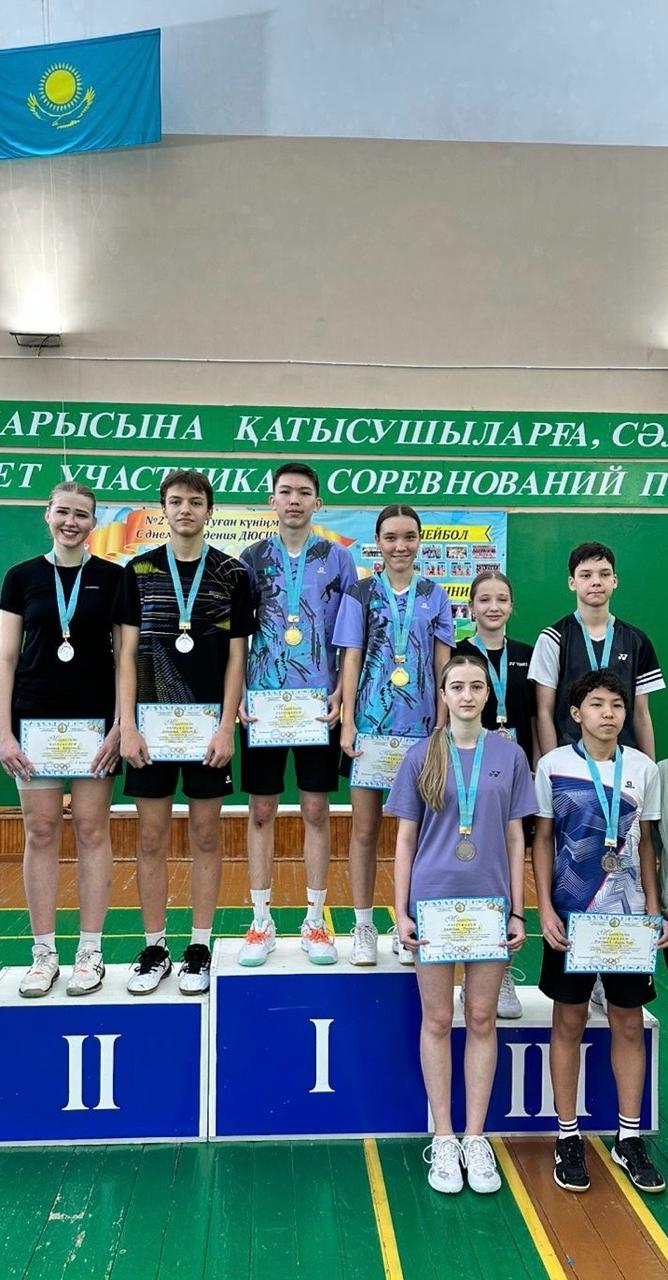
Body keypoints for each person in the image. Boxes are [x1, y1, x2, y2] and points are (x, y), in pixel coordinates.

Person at [387, 654, 535, 1195]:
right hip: (434, 906)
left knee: (480, 1019)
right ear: (443, 694)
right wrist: (400, 911)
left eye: (476, 686)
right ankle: (445, 1137)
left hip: (489, 908)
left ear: (488, 694)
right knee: (436, 1020)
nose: (467, 695)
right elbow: (405, 839)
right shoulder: (421, 754)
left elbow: (517, 838)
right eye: (457, 686)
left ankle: (476, 1137)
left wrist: (518, 909)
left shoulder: (510, 755)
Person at [117, 469, 253, 995]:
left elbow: (237, 658)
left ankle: (199, 946)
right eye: (175, 501)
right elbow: (126, 655)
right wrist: (128, 726)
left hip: (207, 733)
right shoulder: (138, 571)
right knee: (150, 837)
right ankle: (154, 946)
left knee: (206, 836)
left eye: (195, 502)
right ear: (164, 509)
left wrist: (226, 726)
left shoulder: (232, 574)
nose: (185, 510)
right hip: (150, 731)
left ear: (209, 510)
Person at [533, 669, 667, 1194]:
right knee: (568, 1021)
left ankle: (628, 1138)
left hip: (628, 919)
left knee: (627, 1023)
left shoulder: (643, 769)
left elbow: (648, 843)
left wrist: (653, 909)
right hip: (572, 918)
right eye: (597, 704)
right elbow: (543, 839)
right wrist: (544, 907)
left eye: (617, 704)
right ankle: (567, 1136)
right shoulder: (553, 766)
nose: (608, 713)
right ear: (576, 713)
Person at [0, 482, 122, 997]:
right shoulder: (20, 577)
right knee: (41, 832)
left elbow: (125, 658)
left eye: (82, 514)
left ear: (94, 521)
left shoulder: (113, 578)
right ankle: (43, 954)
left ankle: (90, 952)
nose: (71, 522)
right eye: (63, 512)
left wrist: (121, 724)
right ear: (47, 515)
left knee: (92, 831)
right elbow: (6, 657)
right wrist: (3, 732)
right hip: (36, 723)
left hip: (95, 726)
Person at [236, 463, 357, 967]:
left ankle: (314, 920)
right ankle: (260, 921)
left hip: (318, 707)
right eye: (285, 491)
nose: (294, 500)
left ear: (317, 503)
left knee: (316, 810)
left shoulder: (339, 559)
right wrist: (239, 692)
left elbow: (350, 636)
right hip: (263, 707)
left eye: (304, 493)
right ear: (272, 500)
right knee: (261, 811)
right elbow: (237, 634)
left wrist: (343, 693)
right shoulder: (250, 559)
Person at [334, 504, 454, 965]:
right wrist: (348, 721)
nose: (400, 546)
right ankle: (363, 925)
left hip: (421, 732)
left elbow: (443, 664)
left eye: (408, 537)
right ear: (377, 543)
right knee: (364, 830)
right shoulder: (360, 592)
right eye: (391, 537)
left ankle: (410, 924)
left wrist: (442, 724)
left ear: (419, 540)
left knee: (418, 833)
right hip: (370, 729)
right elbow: (351, 658)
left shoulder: (435, 594)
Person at [457, 570, 536, 1017]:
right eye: (484, 599)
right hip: (469, 780)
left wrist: (537, 769)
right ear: (471, 607)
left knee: (508, 866)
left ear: (511, 605)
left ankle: (501, 969)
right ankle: (468, 971)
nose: (493, 606)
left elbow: (539, 717)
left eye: (501, 599)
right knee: (469, 868)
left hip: (515, 774)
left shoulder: (527, 655)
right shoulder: (457, 653)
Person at [529, 541, 664, 757]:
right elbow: (544, 712)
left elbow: (641, 713)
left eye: (604, 574)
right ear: (572, 582)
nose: (596, 581)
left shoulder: (637, 640)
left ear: (614, 581)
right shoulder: (553, 638)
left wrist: (649, 767)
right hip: (570, 758)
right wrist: (552, 766)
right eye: (586, 575)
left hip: (623, 760)